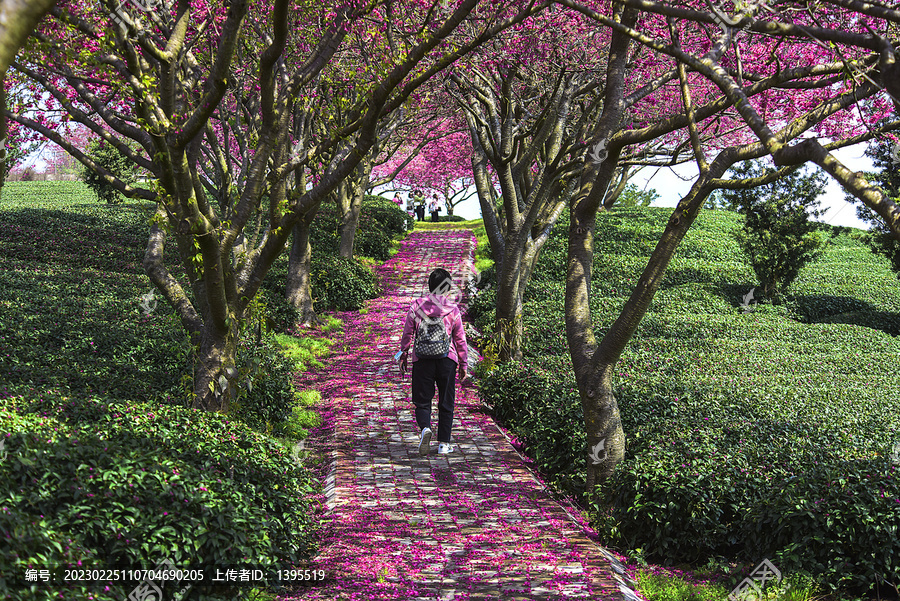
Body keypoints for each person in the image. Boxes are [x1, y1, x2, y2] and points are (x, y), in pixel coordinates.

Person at [398, 268, 468, 456]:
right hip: (447, 360)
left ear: (430, 286)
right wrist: (463, 364)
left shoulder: (416, 306)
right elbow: (460, 339)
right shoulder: (453, 309)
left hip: (422, 359)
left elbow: (407, 334)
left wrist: (404, 354)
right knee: (446, 401)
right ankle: (444, 444)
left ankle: (425, 429)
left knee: (422, 401)